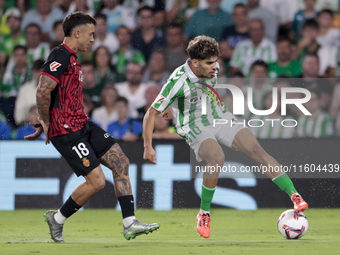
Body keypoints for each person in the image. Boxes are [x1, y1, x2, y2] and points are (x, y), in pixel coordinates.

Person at [143, 35, 308, 239]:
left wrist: (172, 106)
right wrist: (148, 146)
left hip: (219, 116)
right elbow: (151, 112)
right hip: (194, 125)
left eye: (215, 61)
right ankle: (204, 214)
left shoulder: (213, 67)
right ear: (194, 62)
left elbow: (204, 91)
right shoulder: (177, 80)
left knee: (257, 150)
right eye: (209, 62)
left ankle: (294, 195)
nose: (215, 66)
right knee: (217, 157)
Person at [24, 12, 159, 243]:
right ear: (77, 33)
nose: (93, 39)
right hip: (66, 130)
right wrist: (45, 121)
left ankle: (130, 223)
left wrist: (46, 118)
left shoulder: (74, 59)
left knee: (121, 161)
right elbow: (42, 90)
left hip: (82, 123)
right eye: (91, 34)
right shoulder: (60, 55)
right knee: (96, 181)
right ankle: (57, 219)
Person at [14, 59, 44, 125]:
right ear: (33, 72)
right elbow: (19, 113)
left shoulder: (54, 89)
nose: (40, 74)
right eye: (37, 71)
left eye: (42, 71)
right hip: (28, 125)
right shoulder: (25, 89)